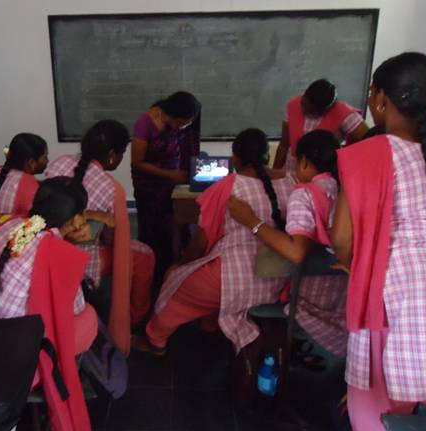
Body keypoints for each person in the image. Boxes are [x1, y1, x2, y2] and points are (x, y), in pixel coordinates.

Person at [330, 52, 426, 431]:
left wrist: (357, 267)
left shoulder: (368, 154)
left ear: (381, 99)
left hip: (398, 294)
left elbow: (342, 240)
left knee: (376, 410)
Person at [0, 177, 96, 431]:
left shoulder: (12, 226)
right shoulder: (55, 252)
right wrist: (70, 248)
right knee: (88, 316)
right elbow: (71, 309)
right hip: (8, 362)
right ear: (78, 219)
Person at [135, 128, 294, 355]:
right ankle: (210, 327)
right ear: (267, 155)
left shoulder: (227, 186)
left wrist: (181, 265)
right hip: (281, 280)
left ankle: (155, 339)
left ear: (235, 158)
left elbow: (201, 242)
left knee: (176, 286)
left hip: (235, 279)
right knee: (209, 275)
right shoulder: (291, 180)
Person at [228, 130, 347, 358]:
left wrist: (252, 221)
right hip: (341, 295)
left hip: (310, 299)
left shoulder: (304, 194)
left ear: (303, 162)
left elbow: (296, 252)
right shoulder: (341, 188)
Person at [45, 120, 155, 354]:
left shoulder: (58, 163)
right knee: (144, 256)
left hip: (46, 248)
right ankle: (134, 320)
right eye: (123, 153)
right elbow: (115, 240)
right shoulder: (110, 187)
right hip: (83, 261)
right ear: (113, 155)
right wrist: (102, 219)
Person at [131, 91, 201, 279]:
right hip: (149, 184)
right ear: (170, 115)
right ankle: (151, 272)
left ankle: (175, 265)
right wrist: (169, 174)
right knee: (152, 227)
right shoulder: (145, 123)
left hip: (172, 180)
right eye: (181, 123)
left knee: (173, 224)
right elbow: (137, 162)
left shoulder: (179, 121)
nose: (182, 128)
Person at [273, 79, 369, 173]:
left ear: (326, 109)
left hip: (320, 177)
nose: (304, 110)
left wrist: (346, 162)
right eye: (303, 103)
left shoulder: (343, 113)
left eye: (312, 110)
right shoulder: (293, 105)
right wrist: (274, 172)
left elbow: (370, 141)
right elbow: (283, 146)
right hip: (290, 171)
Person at [0, 133, 48, 215]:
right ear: (31, 163)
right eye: (45, 157)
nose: (47, 161)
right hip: (7, 223)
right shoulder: (28, 182)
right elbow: (34, 217)